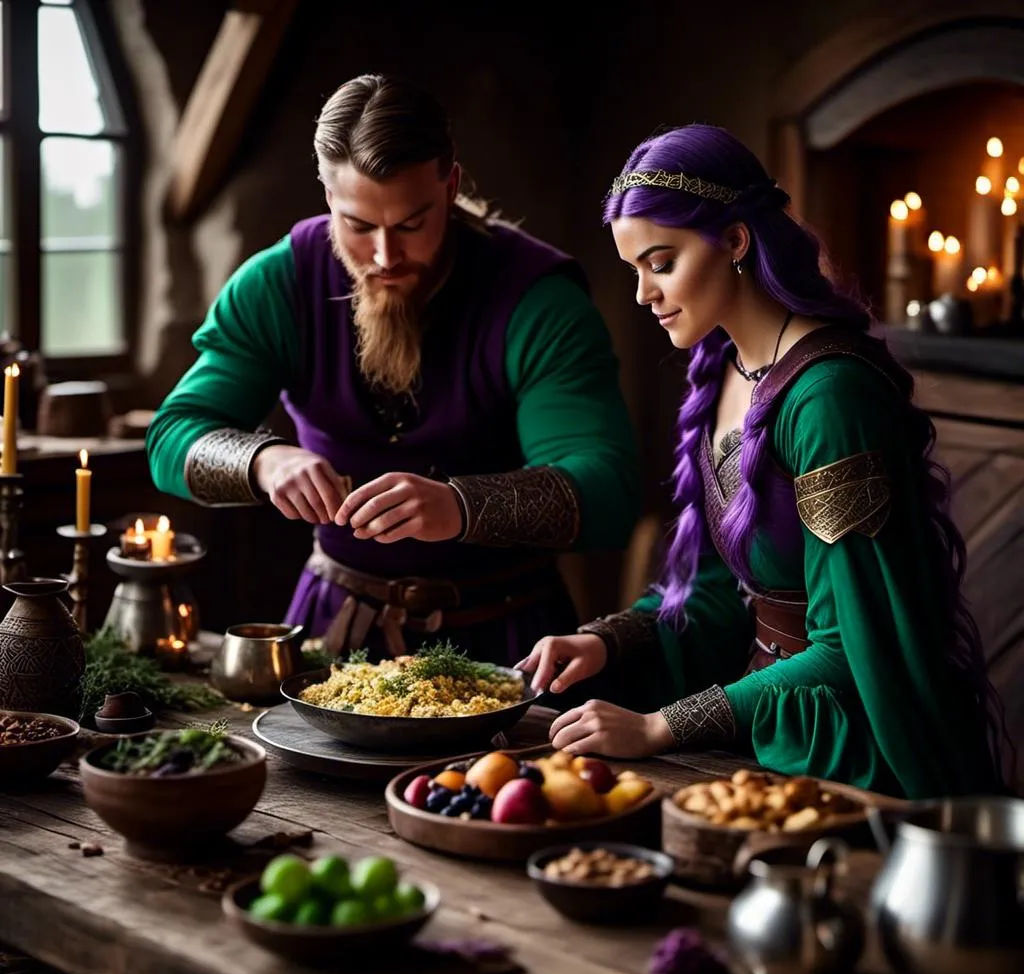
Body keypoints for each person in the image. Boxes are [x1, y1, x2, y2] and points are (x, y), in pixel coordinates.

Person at [518, 124, 1008, 799]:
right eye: (634, 270)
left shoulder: (830, 400)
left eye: (661, 263)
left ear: (736, 241)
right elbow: (723, 592)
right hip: (766, 730)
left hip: (853, 750)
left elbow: (844, 651)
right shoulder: (724, 365)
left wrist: (663, 726)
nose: (643, 294)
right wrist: (609, 641)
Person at [146, 73, 640, 665]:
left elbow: (609, 493)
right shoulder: (277, 283)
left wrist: (461, 507)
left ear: (451, 185)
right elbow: (170, 439)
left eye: (411, 224)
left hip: (511, 639)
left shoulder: (537, 299)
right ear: (328, 196)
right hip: (332, 630)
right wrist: (261, 460)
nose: (384, 256)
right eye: (357, 226)